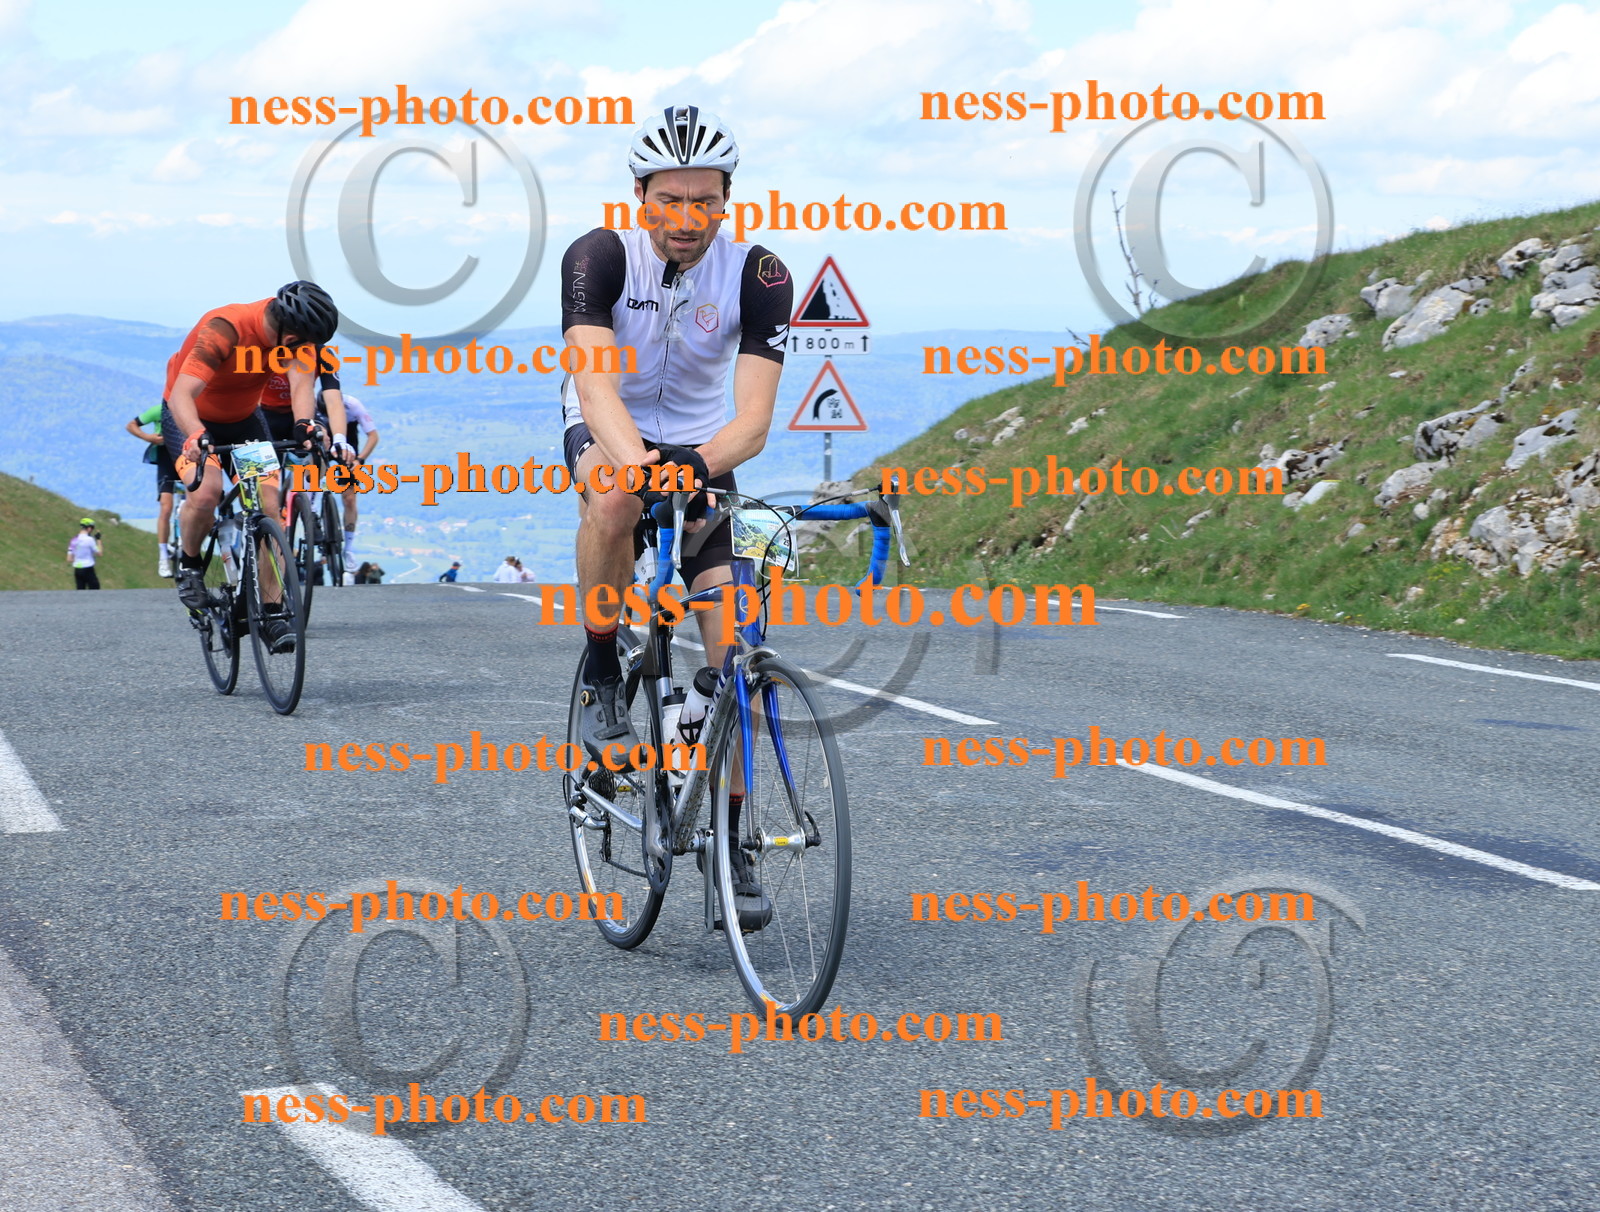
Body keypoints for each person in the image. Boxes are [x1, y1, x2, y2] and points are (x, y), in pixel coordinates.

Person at [559, 104, 792, 927]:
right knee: (619, 495)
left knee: (733, 650)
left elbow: (753, 422)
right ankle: (600, 666)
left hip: (703, 450)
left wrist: (694, 466)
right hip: (608, 425)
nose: (687, 219)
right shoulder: (598, 256)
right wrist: (645, 466)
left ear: (727, 200)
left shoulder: (759, 275)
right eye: (670, 201)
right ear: (641, 195)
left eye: (705, 202)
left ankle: (734, 839)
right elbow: (593, 384)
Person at [164, 281, 340, 653]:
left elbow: (300, 387)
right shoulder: (224, 328)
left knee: (269, 506)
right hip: (189, 419)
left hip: (244, 421)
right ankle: (190, 565)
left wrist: (304, 423)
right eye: (302, 343)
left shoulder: (296, 340)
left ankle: (273, 613)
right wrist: (196, 434)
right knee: (207, 491)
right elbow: (183, 394)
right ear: (289, 335)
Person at [125, 406, 178, 576]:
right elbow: (131, 424)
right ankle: (163, 556)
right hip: (165, 458)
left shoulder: (195, 407)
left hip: (187, 456)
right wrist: (148, 437)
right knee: (166, 507)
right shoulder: (160, 410)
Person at [67, 518, 101, 589]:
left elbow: (69, 559)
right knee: (95, 589)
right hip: (88, 568)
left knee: (80, 592)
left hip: (77, 569)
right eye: (92, 528)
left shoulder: (74, 539)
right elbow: (99, 553)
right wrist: (98, 540)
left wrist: (79, 559)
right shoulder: (90, 539)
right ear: (89, 528)